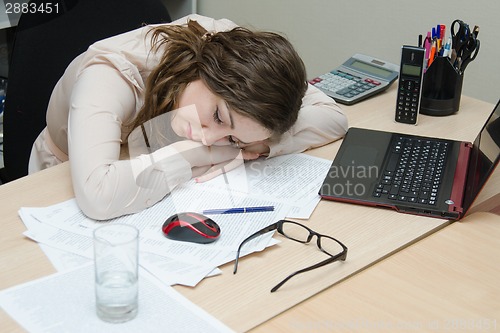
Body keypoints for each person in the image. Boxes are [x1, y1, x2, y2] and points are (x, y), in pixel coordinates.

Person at [28, 14, 348, 220]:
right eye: (219, 117)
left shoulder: (241, 59)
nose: (210, 138)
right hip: (65, 173)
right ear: (206, 70)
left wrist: (260, 146)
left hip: (150, 167)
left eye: (233, 138)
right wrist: (194, 153)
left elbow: (334, 118)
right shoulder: (112, 75)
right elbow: (98, 196)